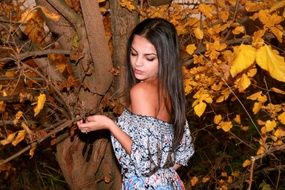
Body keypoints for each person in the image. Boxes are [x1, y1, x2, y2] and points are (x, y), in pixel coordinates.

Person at [77, 17, 194, 189]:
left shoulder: (141, 92)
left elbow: (144, 164)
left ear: (165, 58)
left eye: (149, 58)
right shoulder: (172, 90)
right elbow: (185, 151)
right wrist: (162, 178)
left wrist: (110, 125)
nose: (138, 63)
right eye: (133, 53)